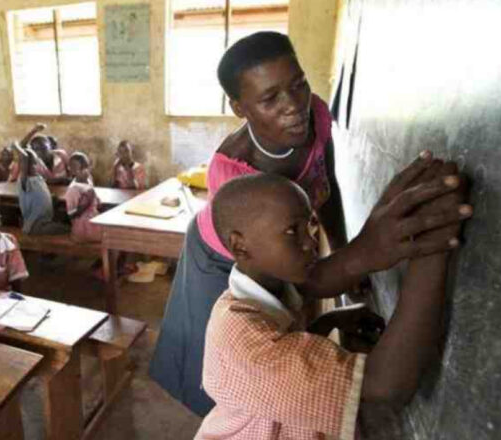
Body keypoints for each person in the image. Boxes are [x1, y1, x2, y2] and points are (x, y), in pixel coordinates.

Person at [149, 31, 470, 416]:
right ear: (239, 108)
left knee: (278, 325)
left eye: (298, 85)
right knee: (225, 363)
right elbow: (304, 280)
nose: (294, 106)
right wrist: (364, 253)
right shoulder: (235, 174)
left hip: (268, 240)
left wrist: (342, 246)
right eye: (270, 98)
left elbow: (325, 182)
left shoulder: (313, 114)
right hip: (220, 259)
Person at [195, 173, 471, 439]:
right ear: (239, 245)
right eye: (293, 231)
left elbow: (320, 281)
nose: (311, 242)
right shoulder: (245, 341)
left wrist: (329, 322)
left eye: (311, 225)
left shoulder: (266, 289)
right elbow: (386, 385)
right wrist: (430, 249)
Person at [13, 143, 70, 236]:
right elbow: (24, 157)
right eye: (30, 164)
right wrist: (15, 145)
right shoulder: (26, 181)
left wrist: (51, 200)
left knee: (66, 219)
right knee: (68, 230)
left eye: (35, 163)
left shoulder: (39, 178)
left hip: (46, 220)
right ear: (24, 166)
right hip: (36, 226)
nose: (34, 166)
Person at [64, 153, 101, 243]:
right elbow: (70, 215)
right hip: (83, 228)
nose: (85, 171)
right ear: (72, 171)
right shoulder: (73, 189)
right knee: (114, 236)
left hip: (93, 219)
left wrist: (96, 201)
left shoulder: (89, 179)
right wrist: (85, 204)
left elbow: (94, 198)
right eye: (80, 169)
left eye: (86, 167)